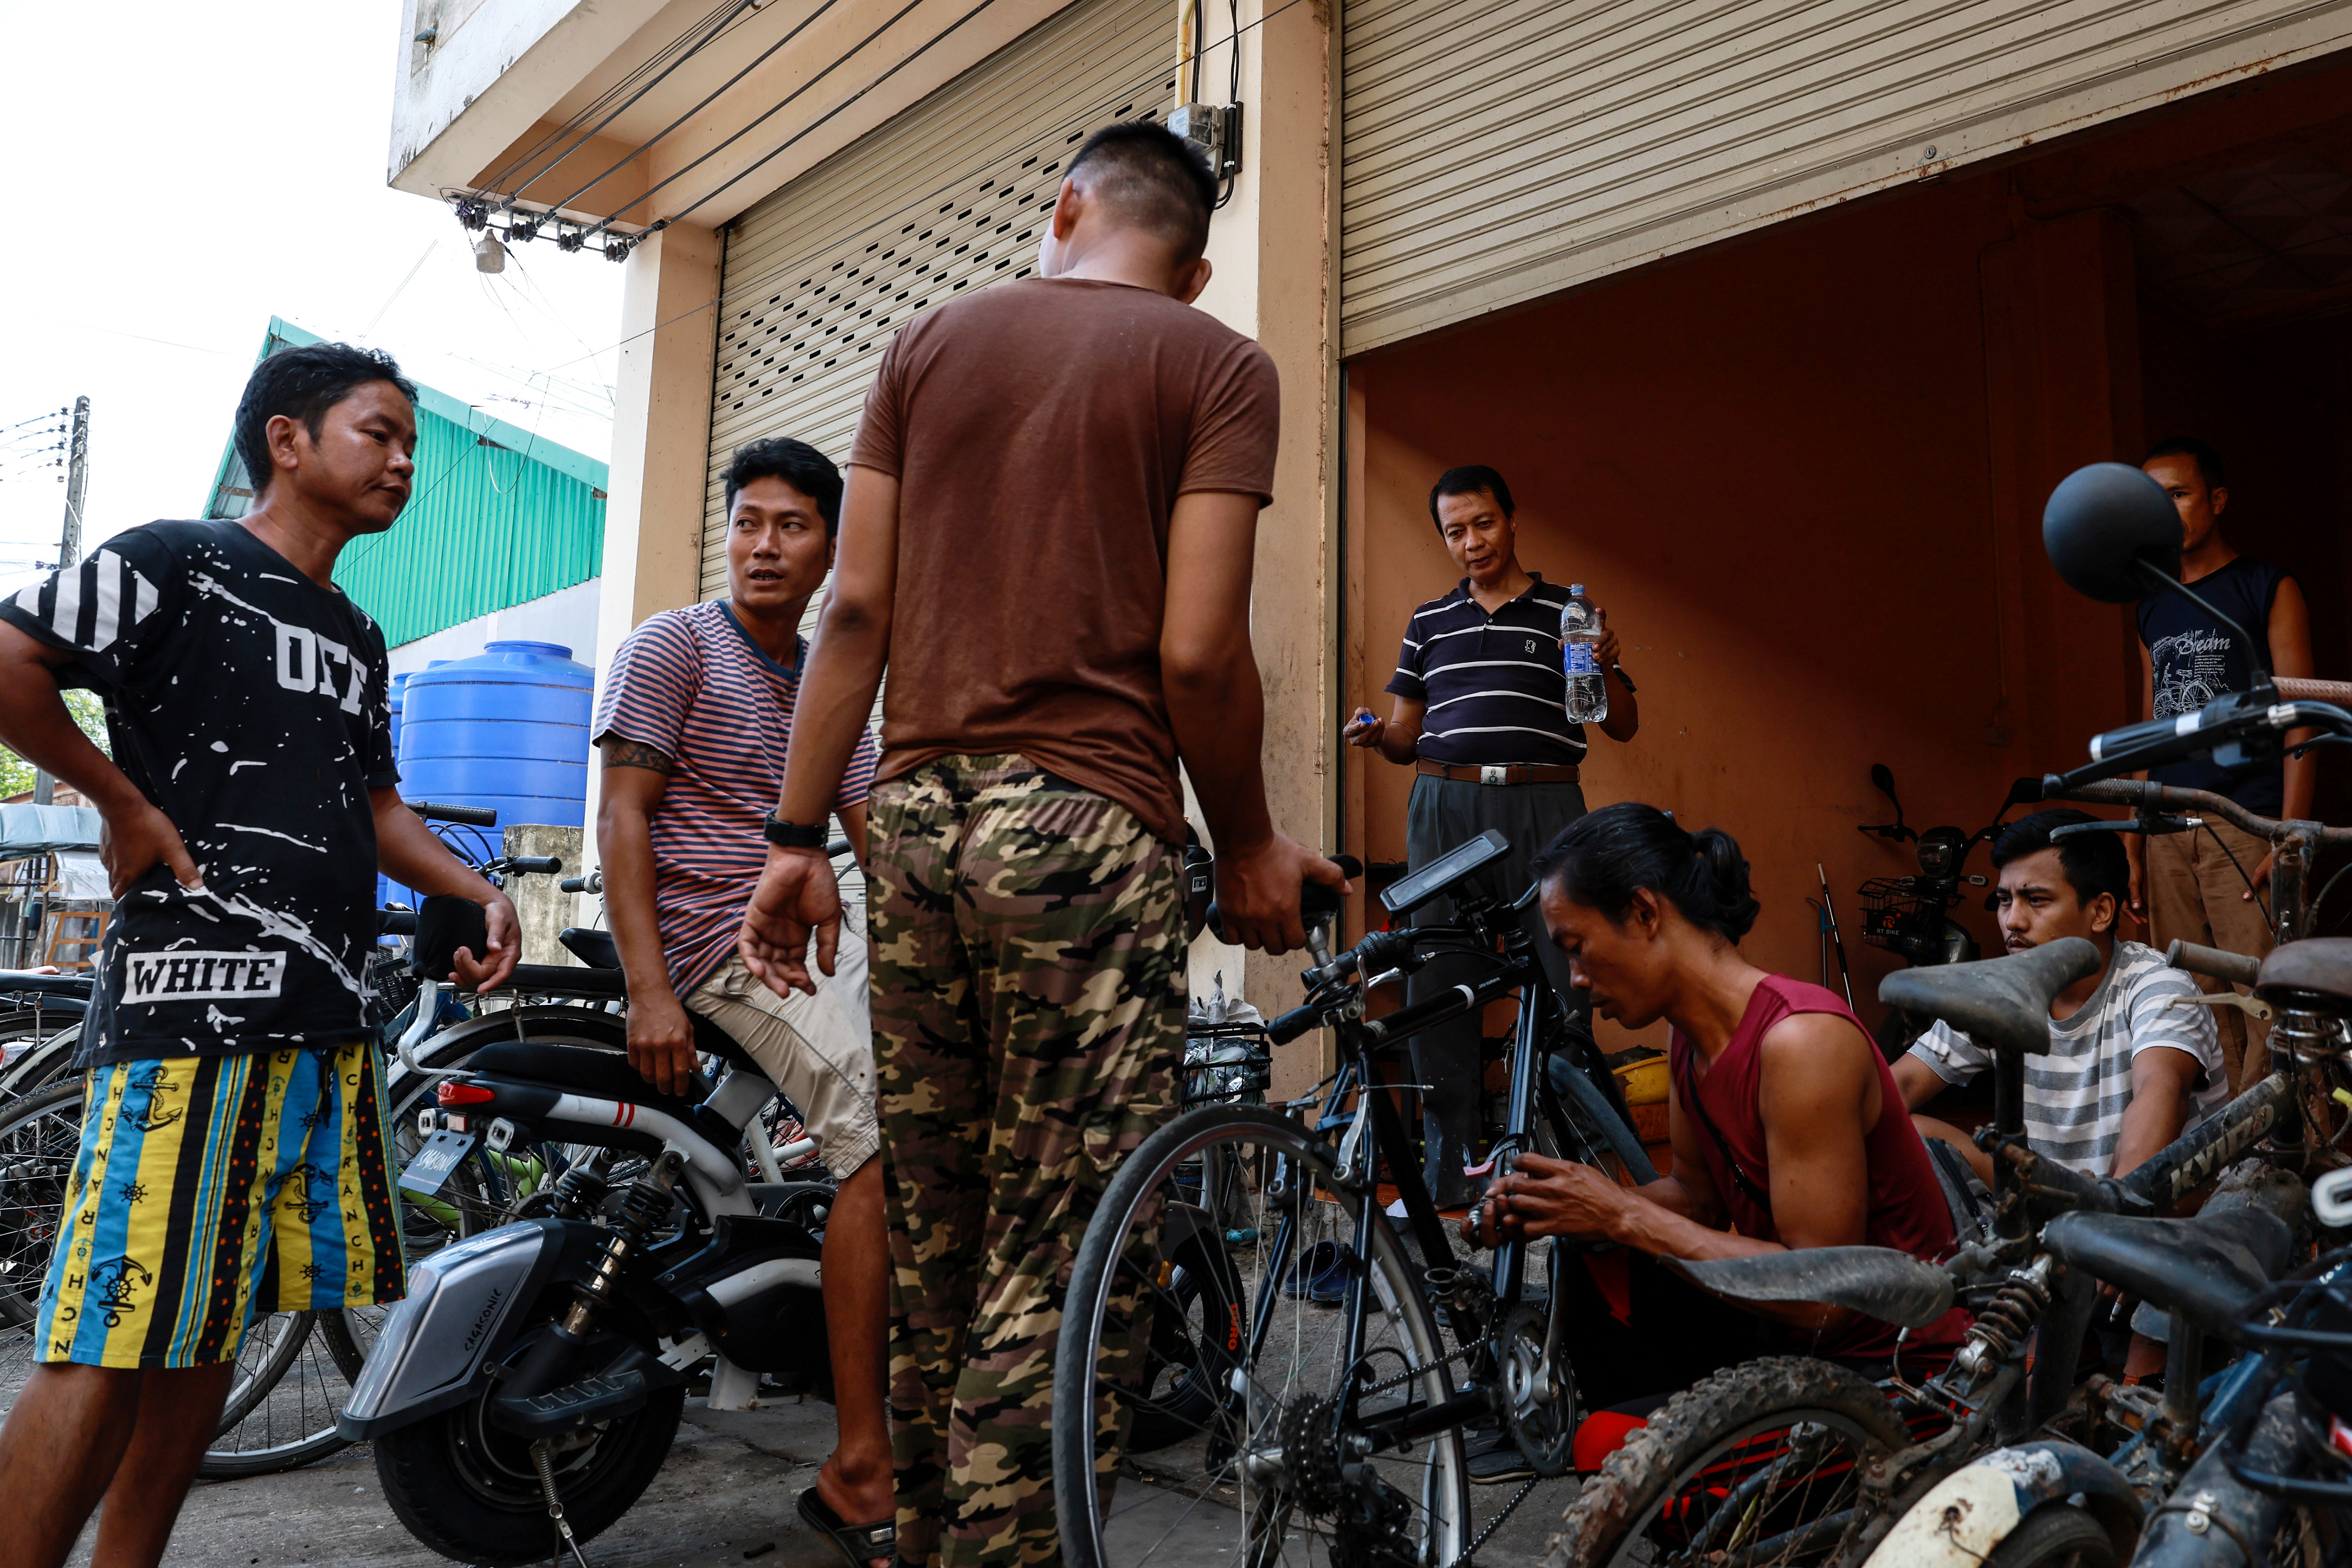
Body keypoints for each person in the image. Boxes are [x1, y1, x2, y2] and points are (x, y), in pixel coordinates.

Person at [733, 121, 1339, 1566]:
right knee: (1061, 1253)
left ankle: (934, 1538)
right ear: (1192, 266)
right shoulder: (1214, 363)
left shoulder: (927, 341)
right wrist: (1247, 840)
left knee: (943, 1246)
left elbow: (857, 616)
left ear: (1061, 207)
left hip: (915, 824)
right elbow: (1197, 651)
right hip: (1080, 829)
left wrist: (795, 836)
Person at [0, 342, 519, 1568]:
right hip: (191, 1011)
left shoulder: (355, 629)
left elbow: (375, 811)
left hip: (321, 1021)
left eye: (409, 445)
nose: (401, 461)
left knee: (213, 1320)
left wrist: (477, 888)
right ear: (287, 441)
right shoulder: (176, 557)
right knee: (108, 1331)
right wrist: (122, 804)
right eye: (377, 433)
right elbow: (14, 665)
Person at [591, 437, 893, 1565]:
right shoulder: (672, 646)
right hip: (717, 945)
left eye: (791, 527)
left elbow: (872, 835)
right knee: (875, 1134)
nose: (763, 546)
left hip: (816, 933)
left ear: (828, 550)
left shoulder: (823, 680)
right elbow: (624, 817)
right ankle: (857, 1464)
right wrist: (648, 991)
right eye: (746, 523)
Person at [1470, 803, 1969, 1418]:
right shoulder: (1690, 1038)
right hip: (1793, 1344)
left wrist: (1621, 1212)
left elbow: (1826, 1301)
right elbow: (1695, 1198)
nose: (1574, 978)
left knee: (1617, 1442)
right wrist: (1560, 1204)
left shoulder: (1800, 1042)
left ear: (1644, 912)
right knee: (1593, 1260)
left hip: (1891, 1370)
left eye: (1577, 948)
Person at [1345, 464, 1639, 1206]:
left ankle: (1575, 1174)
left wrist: (1610, 667)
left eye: (1482, 524)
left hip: (1548, 810)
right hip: (1444, 807)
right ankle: (1445, 1180)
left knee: (1569, 974)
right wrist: (1377, 735)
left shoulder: (1568, 615)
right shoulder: (1428, 621)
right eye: (1454, 531)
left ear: (1511, 521)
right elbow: (1407, 739)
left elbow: (1621, 724)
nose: (1471, 542)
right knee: (1438, 980)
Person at [1896, 809, 2225, 1184]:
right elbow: (1901, 1085)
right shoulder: (1999, 994)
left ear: (2100, 912)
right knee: (1908, 1133)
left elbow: (2159, 1093)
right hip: (2051, 1200)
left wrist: (2113, 1210)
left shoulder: (2157, 985)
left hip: (2153, 1219)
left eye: (2036, 900)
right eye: (2005, 901)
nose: (2013, 921)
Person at [2132, 436, 2314, 1095]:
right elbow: (2150, 722)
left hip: (2247, 819)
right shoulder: (2149, 603)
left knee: (2263, 987)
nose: (2165, 510)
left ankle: (2282, 1149)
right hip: (2167, 825)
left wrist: (2292, 830)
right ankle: (2218, 1146)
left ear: (2216, 499)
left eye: (2178, 494)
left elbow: (2304, 713)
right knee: (2191, 993)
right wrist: (2135, 826)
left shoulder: (2266, 585)